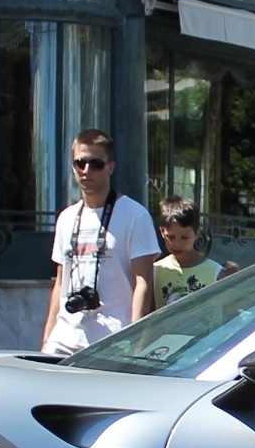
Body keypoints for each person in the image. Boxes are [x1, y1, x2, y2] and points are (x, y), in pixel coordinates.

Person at [41, 128, 158, 359]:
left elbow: (143, 281)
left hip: (114, 337)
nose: (86, 171)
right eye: (80, 163)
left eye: (96, 164)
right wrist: (47, 337)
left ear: (110, 167)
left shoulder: (135, 215)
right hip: (65, 336)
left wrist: (135, 340)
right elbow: (60, 281)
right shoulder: (66, 217)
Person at [153, 196, 234, 307]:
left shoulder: (216, 273)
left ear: (196, 233)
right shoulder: (156, 271)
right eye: (171, 237)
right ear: (162, 232)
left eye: (184, 237)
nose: (177, 244)